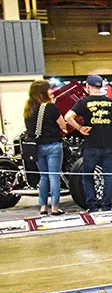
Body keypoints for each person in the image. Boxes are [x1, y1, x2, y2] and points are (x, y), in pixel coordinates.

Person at [64, 75, 112, 212]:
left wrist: (80, 128)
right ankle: (107, 206)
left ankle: (93, 206)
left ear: (88, 87)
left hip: (91, 145)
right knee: (108, 176)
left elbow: (68, 117)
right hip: (108, 145)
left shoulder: (83, 103)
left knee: (88, 176)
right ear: (101, 86)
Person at [24, 80, 67, 216]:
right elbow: (62, 125)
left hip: (36, 147)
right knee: (54, 177)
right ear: (43, 92)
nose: (51, 91)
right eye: (49, 89)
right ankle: (54, 207)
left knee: (43, 176)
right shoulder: (50, 107)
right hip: (53, 145)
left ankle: (43, 206)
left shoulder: (28, 109)